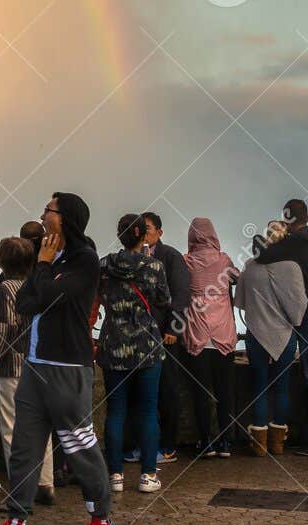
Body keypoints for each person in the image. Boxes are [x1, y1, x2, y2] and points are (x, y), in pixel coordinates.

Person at [0, 192, 116, 525]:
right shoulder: (53, 258)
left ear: (64, 217)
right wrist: (44, 268)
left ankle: (102, 520)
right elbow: (25, 303)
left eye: (49, 210)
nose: (42, 214)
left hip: (67, 368)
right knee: (25, 446)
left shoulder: (84, 260)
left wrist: (42, 266)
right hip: (35, 365)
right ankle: (16, 524)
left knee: (77, 443)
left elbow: (49, 297)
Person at [253, 198, 308, 455]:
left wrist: (258, 237)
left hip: (307, 314)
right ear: (307, 217)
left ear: (287, 219)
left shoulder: (294, 242)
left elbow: (262, 255)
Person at [98, 214, 172, 493]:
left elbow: (99, 295)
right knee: (147, 411)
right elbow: (165, 300)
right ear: (143, 236)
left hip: (113, 343)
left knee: (115, 412)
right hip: (146, 346)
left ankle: (115, 476)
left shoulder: (104, 265)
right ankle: (148, 475)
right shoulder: (154, 266)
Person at [0, 237, 54, 504]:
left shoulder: (4, 290)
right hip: (38, 362)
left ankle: (19, 489)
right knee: (41, 428)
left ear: (2, 261)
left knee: (11, 429)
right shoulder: (38, 286)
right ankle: (45, 483)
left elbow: (3, 330)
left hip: (11, 366)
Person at [235, 221, 304, 457]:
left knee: (260, 387)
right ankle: (278, 443)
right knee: (282, 388)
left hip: (256, 334)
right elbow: (299, 307)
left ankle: (259, 444)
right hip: (284, 335)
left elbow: (241, 303)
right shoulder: (293, 267)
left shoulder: (249, 267)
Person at [182, 218, 241, 458]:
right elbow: (237, 276)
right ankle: (225, 441)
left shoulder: (186, 262)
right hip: (222, 334)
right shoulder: (224, 260)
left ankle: (205, 441)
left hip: (197, 333)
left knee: (200, 392)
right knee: (224, 390)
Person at [141, 211, 191, 464]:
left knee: (167, 389)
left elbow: (181, 295)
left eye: (148, 228)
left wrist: (174, 328)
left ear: (159, 232)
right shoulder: (134, 257)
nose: (143, 232)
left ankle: (168, 445)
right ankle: (145, 444)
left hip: (164, 335)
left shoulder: (170, 256)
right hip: (140, 337)